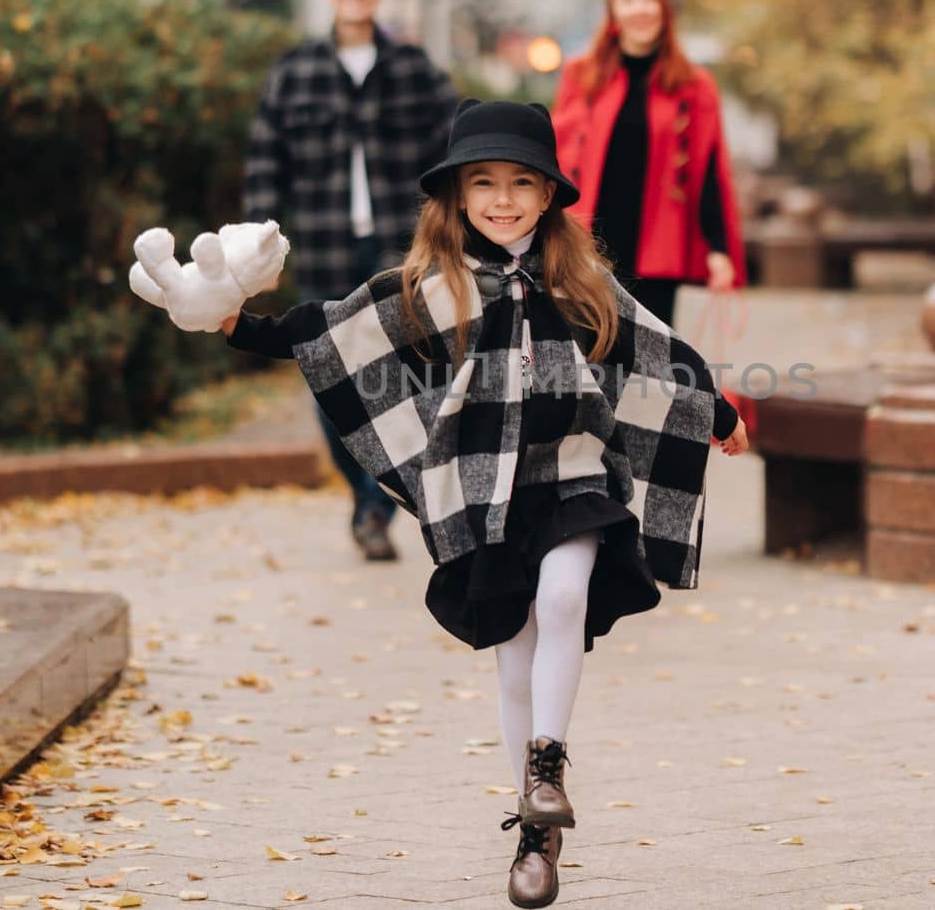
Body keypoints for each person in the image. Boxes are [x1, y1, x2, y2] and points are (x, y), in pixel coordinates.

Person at [216, 100, 746, 908]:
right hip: (486, 492)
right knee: (513, 648)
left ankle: (547, 763)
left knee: (564, 595)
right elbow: (335, 329)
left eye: (522, 182)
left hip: (574, 472)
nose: (504, 198)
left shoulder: (580, 279)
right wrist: (238, 327)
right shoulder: (440, 285)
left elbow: (655, 349)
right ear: (458, 197)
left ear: (549, 195)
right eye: (485, 183)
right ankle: (535, 835)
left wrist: (721, 413)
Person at [243, 0, 460, 562]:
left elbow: (453, 152)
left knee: (396, 374)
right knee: (326, 375)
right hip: (324, 242)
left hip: (399, 247)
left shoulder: (415, 69)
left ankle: (372, 506)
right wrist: (257, 249)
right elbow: (266, 162)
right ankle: (362, 491)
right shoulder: (296, 71)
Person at [551, 0, 748, 326]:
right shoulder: (581, 76)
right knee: (583, 357)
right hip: (586, 246)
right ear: (613, 10)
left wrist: (719, 250)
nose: (639, 9)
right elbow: (556, 156)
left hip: (658, 249)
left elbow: (710, 171)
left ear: (667, 8)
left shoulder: (694, 86)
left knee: (647, 363)